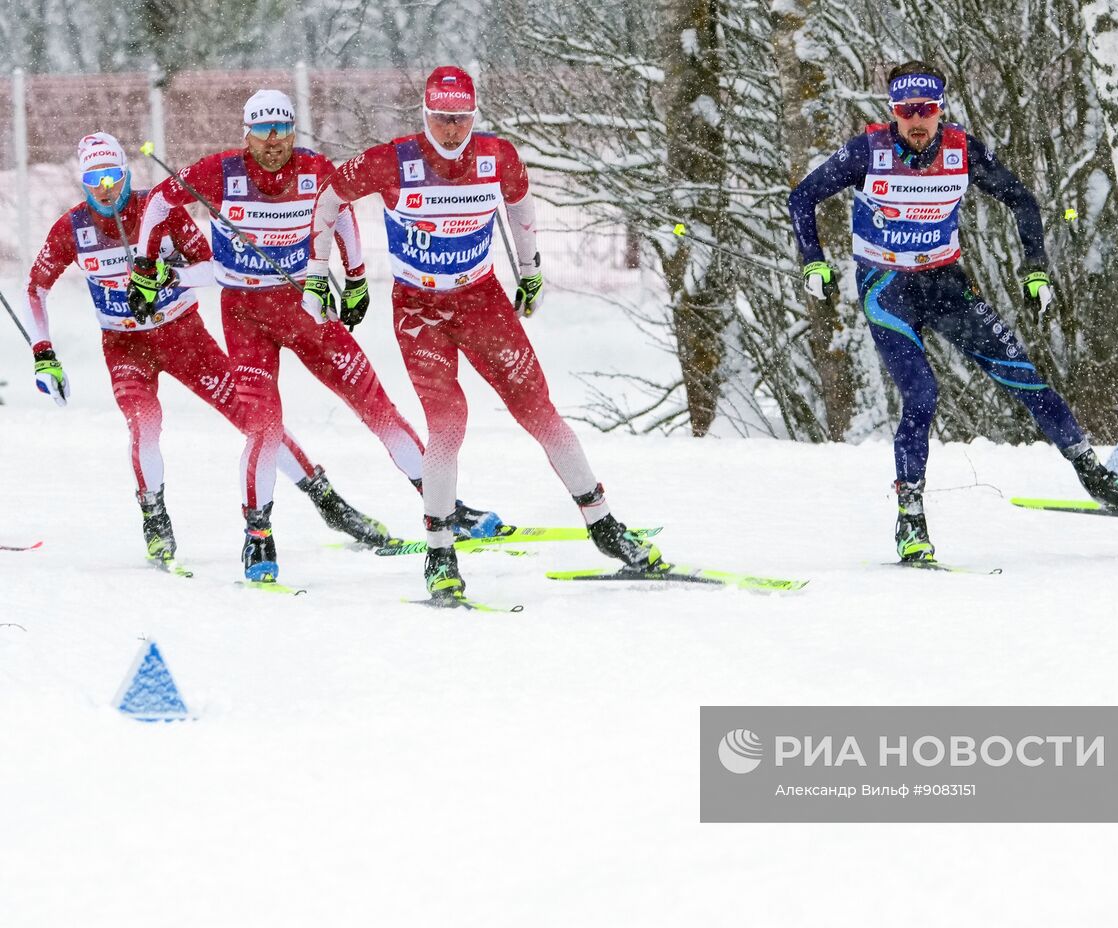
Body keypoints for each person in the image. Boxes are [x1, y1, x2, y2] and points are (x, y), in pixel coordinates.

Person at [303, 66, 660, 602]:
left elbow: (519, 202)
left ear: (474, 115)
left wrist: (531, 266)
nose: (451, 130)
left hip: (481, 299)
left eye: (461, 118)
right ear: (425, 115)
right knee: (448, 423)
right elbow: (329, 196)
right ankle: (440, 554)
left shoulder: (498, 156)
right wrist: (320, 273)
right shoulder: (392, 160)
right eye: (441, 118)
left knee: (538, 409)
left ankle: (605, 527)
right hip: (418, 310)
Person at [788, 61, 1118, 562]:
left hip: (944, 284)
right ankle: (910, 521)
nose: (917, 121)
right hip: (886, 289)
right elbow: (802, 196)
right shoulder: (866, 152)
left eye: (927, 110)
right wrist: (814, 263)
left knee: (1023, 376)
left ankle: (1096, 476)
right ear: (893, 113)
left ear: (941, 110)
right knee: (922, 393)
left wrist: (1036, 269)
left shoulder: (963, 151)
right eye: (906, 111)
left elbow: (1022, 200)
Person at [132, 91, 499, 582]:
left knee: (377, 406)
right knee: (263, 427)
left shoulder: (313, 168)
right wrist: (143, 267)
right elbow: (157, 202)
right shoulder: (220, 172)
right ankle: (258, 538)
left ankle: (445, 508)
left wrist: (355, 277)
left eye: (282, 129)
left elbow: (343, 212)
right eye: (262, 130)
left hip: (306, 305)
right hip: (246, 316)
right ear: (246, 133)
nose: (273, 141)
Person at [25, 132, 388, 564]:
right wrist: (43, 354)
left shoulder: (157, 211)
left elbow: (214, 267)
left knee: (255, 421)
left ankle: (329, 503)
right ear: (83, 184)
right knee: (144, 425)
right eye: (95, 180)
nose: (106, 188)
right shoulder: (73, 228)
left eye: (114, 176)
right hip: (125, 347)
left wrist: (170, 275)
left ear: (126, 173)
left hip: (184, 338)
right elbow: (35, 289)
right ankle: (155, 520)